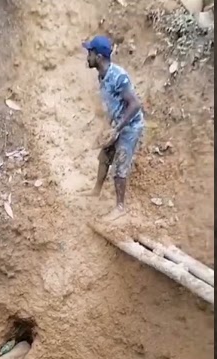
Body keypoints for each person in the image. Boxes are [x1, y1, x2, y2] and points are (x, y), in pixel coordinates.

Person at [83, 35, 145, 221]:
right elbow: (112, 104)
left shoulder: (119, 77)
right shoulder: (102, 76)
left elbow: (135, 104)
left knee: (120, 165)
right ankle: (96, 191)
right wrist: (106, 128)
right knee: (104, 157)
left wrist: (117, 129)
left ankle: (120, 207)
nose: (87, 57)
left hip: (130, 127)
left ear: (99, 57)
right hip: (117, 124)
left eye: (90, 53)